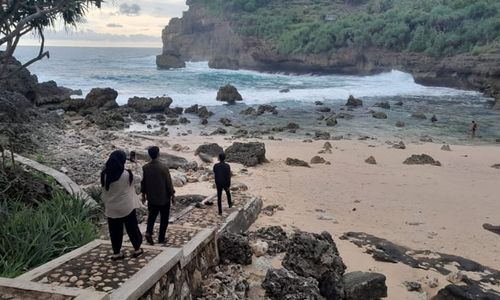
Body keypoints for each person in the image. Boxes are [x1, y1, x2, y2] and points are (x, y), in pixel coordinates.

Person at [101, 150, 143, 260]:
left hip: (112, 208)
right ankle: (137, 249)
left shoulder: (104, 175)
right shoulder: (126, 174)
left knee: (114, 231)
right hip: (126, 207)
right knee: (132, 228)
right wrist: (137, 164)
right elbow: (140, 178)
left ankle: (116, 253)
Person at [141, 146, 175, 245]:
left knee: (151, 216)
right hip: (164, 198)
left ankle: (148, 232)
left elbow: (143, 183)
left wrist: (143, 195)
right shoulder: (163, 168)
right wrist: (172, 195)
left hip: (151, 198)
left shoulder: (145, 168)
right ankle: (161, 238)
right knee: (164, 219)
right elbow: (169, 183)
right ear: (158, 154)